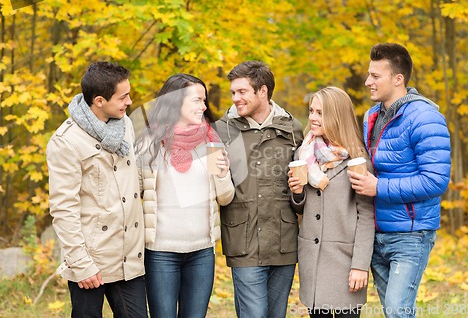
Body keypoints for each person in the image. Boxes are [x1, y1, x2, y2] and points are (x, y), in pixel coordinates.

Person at [349, 43, 451, 318]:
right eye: (369, 75)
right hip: (377, 232)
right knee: (395, 311)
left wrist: (378, 187)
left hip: (410, 234)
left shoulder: (426, 117)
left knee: (396, 310)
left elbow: (436, 181)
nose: (368, 82)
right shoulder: (372, 116)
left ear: (398, 79)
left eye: (375, 76)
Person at [46, 61, 148, 317]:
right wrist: (81, 264)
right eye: (123, 96)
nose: (129, 101)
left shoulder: (124, 124)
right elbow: (64, 208)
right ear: (99, 100)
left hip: (128, 255)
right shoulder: (66, 141)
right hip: (91, 259)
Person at [134, 73, 235, 318]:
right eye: (197, 100)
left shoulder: (211, 142)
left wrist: (222, 174)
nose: (203, 106)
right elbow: (132, 194)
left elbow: (225, 198)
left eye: (204, 100)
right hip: (160, 252)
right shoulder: (148, 145)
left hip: (201, 252)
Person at [214, 60, 304, 318]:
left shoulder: (293, 129)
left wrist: (299, 193)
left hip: (283, 242)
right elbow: (214, 188)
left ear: (262, 91)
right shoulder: (221, 130)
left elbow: (300, 192)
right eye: (233, 93)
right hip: (243, 241)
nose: (235, 98)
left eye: (241, 92)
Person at [288, 87, 375, 318]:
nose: (313, 118)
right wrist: (297, 194)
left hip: (346, 262)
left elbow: (366, 216)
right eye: (312, 111)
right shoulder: (303, 155)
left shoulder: (358, 160)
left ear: (337, 116)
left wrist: (360, 265)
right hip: (314, 260)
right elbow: (300, 208)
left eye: (321, 113)